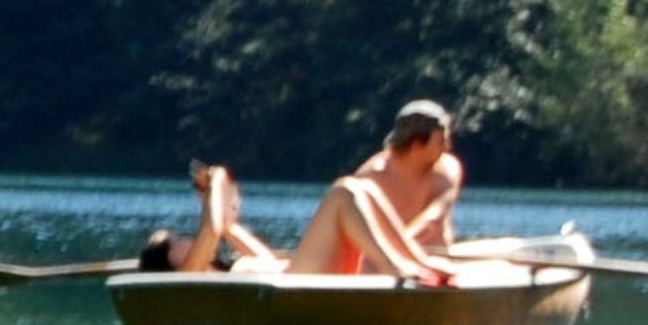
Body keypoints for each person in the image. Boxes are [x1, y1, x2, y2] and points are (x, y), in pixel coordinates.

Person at [150, 101, 467, 282]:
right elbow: (211, 229)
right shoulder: (188, 276)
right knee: (343, 192)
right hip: (297, 281)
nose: (185, 237)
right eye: (176, 241)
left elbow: (250, 247)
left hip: (295, 273)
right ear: (170, 258)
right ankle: (397, 267)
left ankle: (416, 262)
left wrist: (229, 222)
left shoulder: (222, 265)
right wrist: (217, 187)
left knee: (359, 188)